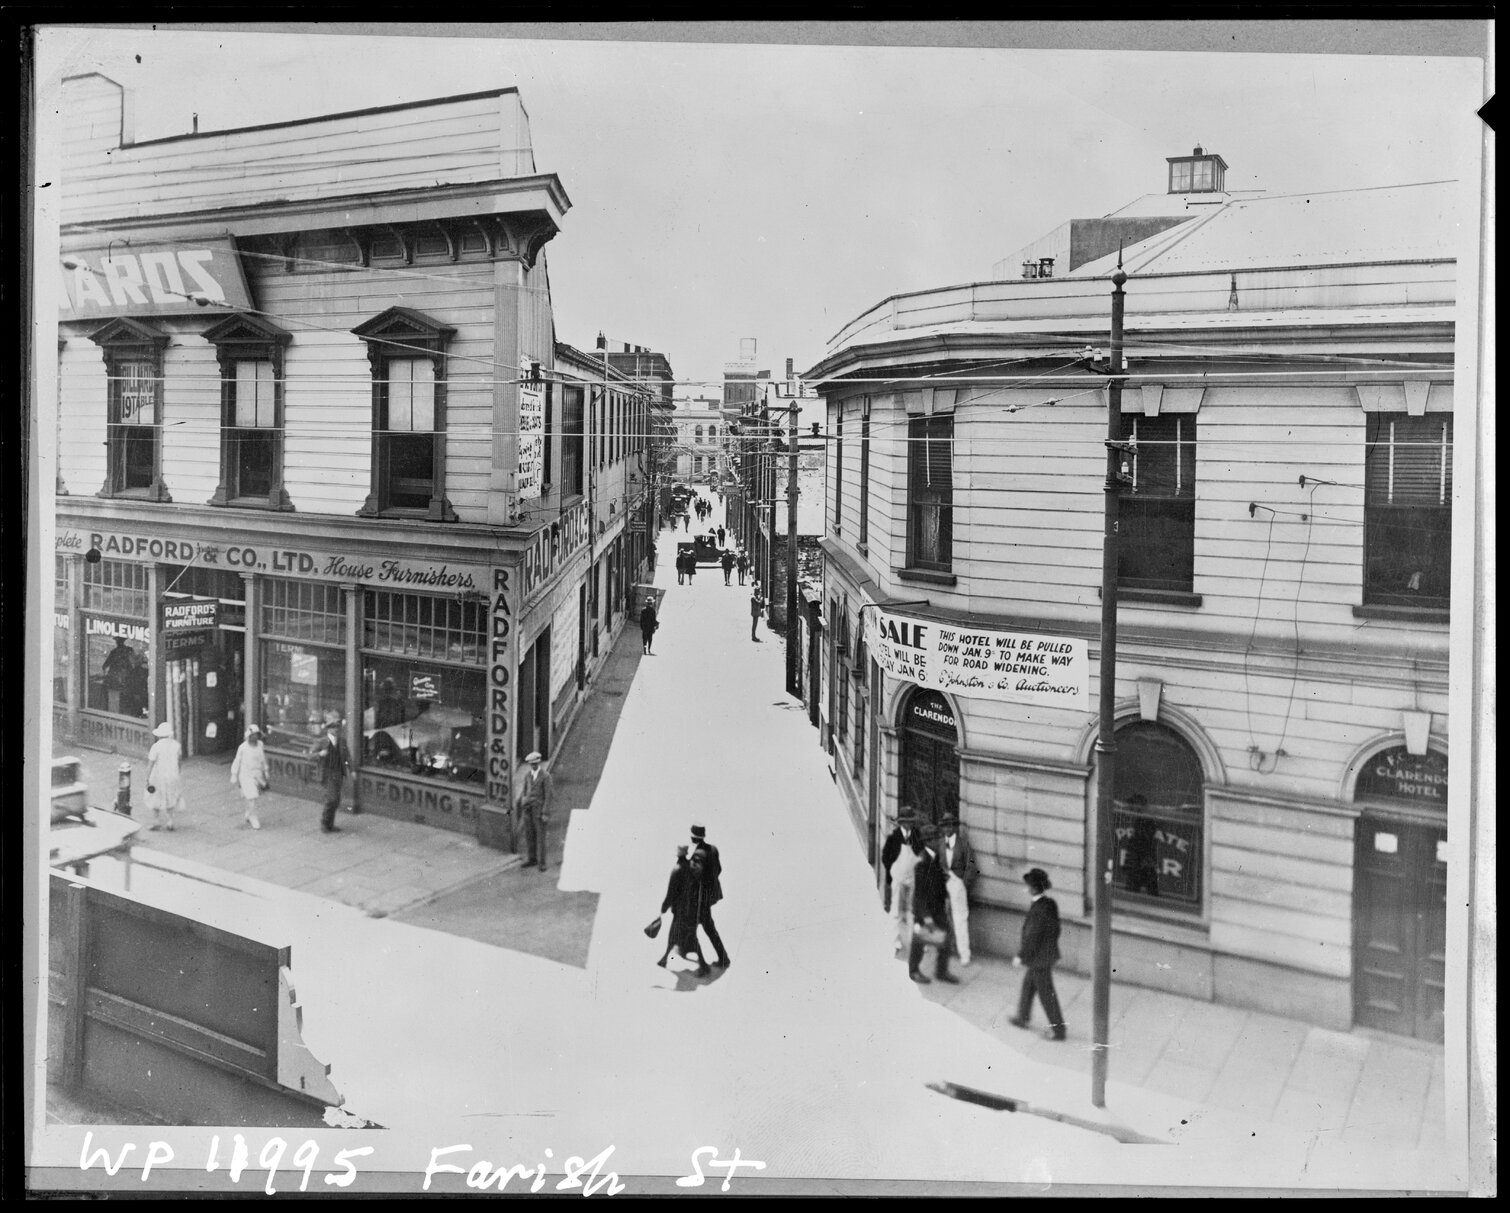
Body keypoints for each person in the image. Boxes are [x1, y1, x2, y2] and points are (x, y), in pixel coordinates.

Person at [1010, 868, 1066, 1040]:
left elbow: (1032, 936)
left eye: (1028, 886)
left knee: (1046, 994)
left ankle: (1058, 1031)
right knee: (1028, 985)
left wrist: (1020, 955)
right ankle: (1022, 1017)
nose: (1026, 888)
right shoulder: (1050, 904)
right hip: (1045, 954)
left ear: (1034, 888)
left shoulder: (1039, 909)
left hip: (1039, 958)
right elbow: (1056, 929)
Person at [907, 825, 960, 985]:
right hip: (925, 911)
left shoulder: (935, 857)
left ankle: (941, 971)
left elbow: (938, 881)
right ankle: (914, 970)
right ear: (928, 841)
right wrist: (926, 917)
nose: (941, 840)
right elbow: (919, 894)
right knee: (920, 941)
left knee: (946, 937)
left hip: (937, 907)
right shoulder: (922, 862)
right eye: (937, 838)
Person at [657, 845, 706, 973]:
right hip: (690, 908)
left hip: (680, 910)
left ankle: (703, 965)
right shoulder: (690, 866)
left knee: (677, 934)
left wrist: (664, 907)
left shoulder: (677, 869)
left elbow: (671, 893)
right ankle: (665, 958)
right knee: (686, 935)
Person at [880, 808, 923, 949]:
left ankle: (913, 941)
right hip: (898, 877)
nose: (909, 825)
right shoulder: (894, 837)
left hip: (912, 877)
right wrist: (893, 871)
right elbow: (885, 857)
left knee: (912, 909)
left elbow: (920, 855)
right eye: (906, 822)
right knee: (896, 909)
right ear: (901, 823)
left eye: (911, 822)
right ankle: (894, 940)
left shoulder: (917, 835)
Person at [940, 814, 979, 965]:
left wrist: (963, 883)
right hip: (943, 884)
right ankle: (944, 948)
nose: (947, 828)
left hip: (958, 885)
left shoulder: (963, 845)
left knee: (960, 919)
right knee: (941, 917)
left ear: (955, 827)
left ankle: (964, 954)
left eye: (950, 825)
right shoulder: (940, 844)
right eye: (945, 825)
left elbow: (972, 867)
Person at [689, 825, 730, 968]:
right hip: (710, 896)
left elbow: (694, 877)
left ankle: (712, 963)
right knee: (707, 927)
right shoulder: (713, 849)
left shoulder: (698, 854)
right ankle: (722, 958)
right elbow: (718, 869)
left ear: (694, 837)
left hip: (700, 899)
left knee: (702, 928)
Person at [311, 711, 350, 834]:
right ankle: (324, 823)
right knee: (331, 799)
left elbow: (348, 757)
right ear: (328, 728)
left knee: (336, 799)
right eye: (333, 727)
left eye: (337, 726)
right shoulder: (322, 741)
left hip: (338, 773)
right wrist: (320, 754)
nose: (336, 729)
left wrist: (352, 770)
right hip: (327, 773)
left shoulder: (342, 741)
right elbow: (309, 756)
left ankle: (330, 825)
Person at [144, 721, 185, 831]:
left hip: (158, 776)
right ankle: (170, 821)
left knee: (154, 797)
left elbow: (150, 764)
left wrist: (147, 778)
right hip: (172, 775)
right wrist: (178, 772)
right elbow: (179, 761)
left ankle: (156, 820)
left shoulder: (155, 747)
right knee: (170, 796)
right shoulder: (177, 746)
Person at [517, 750, 554, 871]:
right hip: (528, 810)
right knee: (529, 835)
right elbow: (525, 790)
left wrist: (545, 813)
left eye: (536, 763)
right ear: (529, 764)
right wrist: (523, 801)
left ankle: (542, 863)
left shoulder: (545, 776)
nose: (534, 766)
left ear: (538, 763)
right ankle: (532, 859)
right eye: (532, 764)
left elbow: (548, 795)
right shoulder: (528, 775)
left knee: (541, 837)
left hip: (539, 811)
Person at [230, 724, 270, 830]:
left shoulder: (260, 745)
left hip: (257, 774)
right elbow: (237, 760)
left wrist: (265, 770)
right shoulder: (242, 747)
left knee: (253, 796)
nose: (255, 737)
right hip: (246, 775)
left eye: (256, 735)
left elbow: (262, 759)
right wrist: (234, 774)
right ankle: (253, 817)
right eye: (252, 735)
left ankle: (248, 812)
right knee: (251, 796)